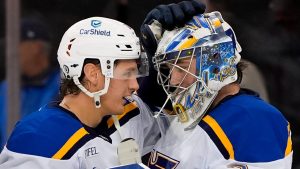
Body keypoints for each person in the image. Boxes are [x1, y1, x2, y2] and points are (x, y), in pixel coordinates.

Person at [0, 2, 206, 166]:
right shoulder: (39, 139)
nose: (135, 85)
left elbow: (166, 113)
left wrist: (164, 46)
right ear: (93, 74)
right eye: (127, 74)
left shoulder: (130, 113)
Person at [139, 11, 293, 168]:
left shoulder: (254, 118)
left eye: (181, 68)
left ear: (216, 63)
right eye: (170, 69)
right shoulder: (189, 115)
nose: (173, 80)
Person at [0, 17, 60, 148]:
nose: (10, 52)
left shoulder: (65, 86)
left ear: (36, 48)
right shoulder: (6, 88)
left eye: (16, 45)